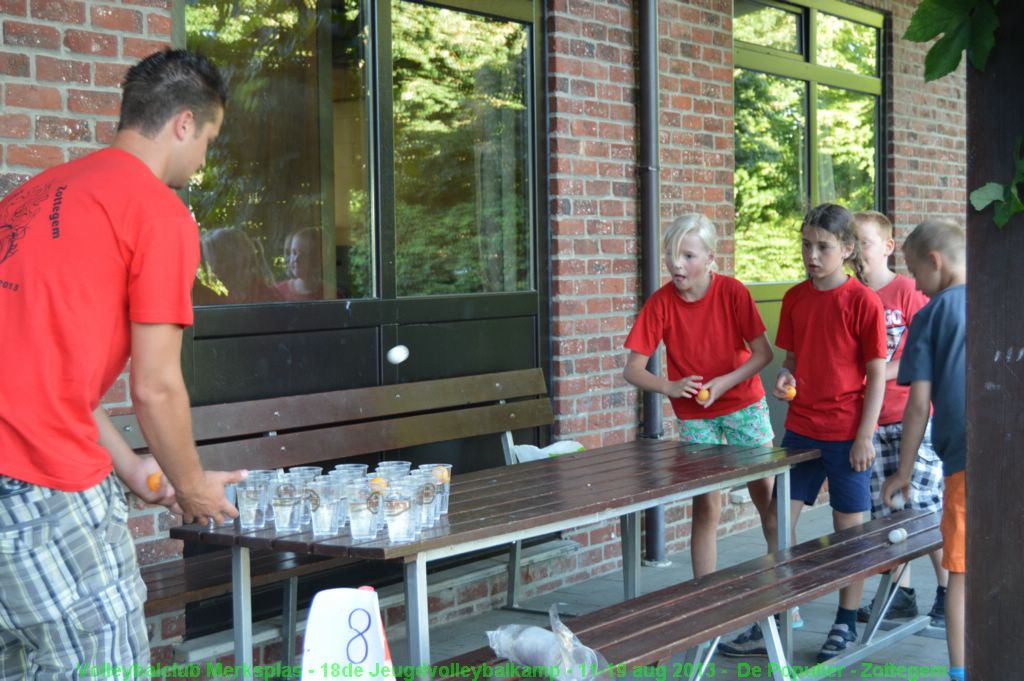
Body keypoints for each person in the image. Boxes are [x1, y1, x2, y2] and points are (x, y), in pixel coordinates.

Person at [0, 49, 245, 677]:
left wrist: (138, 470)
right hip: (37, 489)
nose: (203, 160)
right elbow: (157, 387)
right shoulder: (157, 211)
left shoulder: (32, 198)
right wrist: (191, 489)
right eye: (209, 140)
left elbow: (48, 381)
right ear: (184, 124)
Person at [719, 203, 887, 662]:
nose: (812, 255)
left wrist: (864, 436)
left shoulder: (863, 302)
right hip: (800, 430)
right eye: (806, 245)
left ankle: (844, 622)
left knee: (849, 531)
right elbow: (792, 363)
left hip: (847, 432)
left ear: (847, 249)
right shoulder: (794, 298)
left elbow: (876, 374)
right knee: (777, 523)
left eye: (823, 247)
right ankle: (776, 614)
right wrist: (785, 378)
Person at [623, 213, 776, 579]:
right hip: (696, 415)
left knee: (766, 496)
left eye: (688, 255)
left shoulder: (733, 292)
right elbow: (633, 369)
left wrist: (723, 383)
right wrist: (670, 387)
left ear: (710, 258)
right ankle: (704, 595)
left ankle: (783, 587)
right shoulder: (660, 303)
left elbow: (763, 354)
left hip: (744, 405)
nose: (677, 263)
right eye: (671, 254)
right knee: (706, 504)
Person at [852, 211, 947, 626]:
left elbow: (919, 352)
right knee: (885, 512)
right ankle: (899, 592)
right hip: (871, 420)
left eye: (865, 242)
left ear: (888, 247)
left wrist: (876, 372)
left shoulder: (907, 290)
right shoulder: (852, 296)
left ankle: (946, 590)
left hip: (913, 417)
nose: (857, 252)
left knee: (921, 509)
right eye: (851, 243)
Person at [881, 219, 966, 681]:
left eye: (914, 272)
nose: (914, 284)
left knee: (961, 572)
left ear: (934, 262)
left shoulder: (930, 315)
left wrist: (903, 472)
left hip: (963, 462)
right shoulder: (1003, 295)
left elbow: (917, 406)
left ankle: (959, 671)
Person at [194, 226, 280, 304]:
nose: (214, 269)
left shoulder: (266, 297)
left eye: (220, 261)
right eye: (210, 264)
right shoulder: (213, 297)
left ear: (240, 259)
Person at [276, 226, 323, 301]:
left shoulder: (330, 294)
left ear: (316, 259)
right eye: (294, 252)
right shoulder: (276, 292)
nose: (296, 259)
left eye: (303, 254)